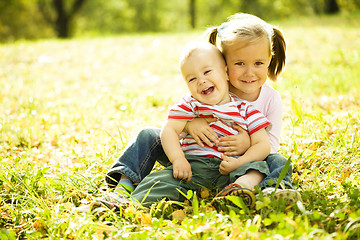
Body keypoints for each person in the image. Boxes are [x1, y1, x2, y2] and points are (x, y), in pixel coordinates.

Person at [103, 13, 300, 211]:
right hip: (195, 153)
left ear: (269, 60)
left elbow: (269, 146)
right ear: (224, 64)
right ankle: (124, 185)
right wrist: (190, 124)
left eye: (258, 63)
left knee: (277, 161)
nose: (249, 72)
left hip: (241, 160)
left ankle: (271, 190)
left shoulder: (268, 99)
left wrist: (245, 144)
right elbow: (175, 125)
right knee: (147, 134)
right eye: (239, 63)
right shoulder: (209, 85)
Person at [128, 41, 271, 208]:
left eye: (207, 72)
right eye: (192, 79)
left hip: (231, 168)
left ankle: (236, 191)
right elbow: (169, 130)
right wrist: (178, 159)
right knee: (156, 182)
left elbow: (263, 144)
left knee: (259, 168)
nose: (201, 81)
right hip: (193, 167)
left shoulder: (246, 109)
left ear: (226, 72)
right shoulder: (189, 104)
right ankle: (128, 206)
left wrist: (240, 162)